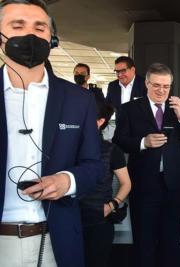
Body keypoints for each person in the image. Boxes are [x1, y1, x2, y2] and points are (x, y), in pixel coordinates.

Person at [0, 1, 103, 266]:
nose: (30, 35)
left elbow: (94, 166)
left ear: (52, 38)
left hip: (55, 242)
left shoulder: (80, 100)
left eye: (40, 27)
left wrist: (67, 181)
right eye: (17, 25)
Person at [113, 63, 180, 267]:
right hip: (143, 184)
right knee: (144, 241)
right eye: (157, 85)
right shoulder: (130, 109)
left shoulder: (177, 107)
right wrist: (143, 142)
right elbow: (119, 141)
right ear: (147, 84)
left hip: (175, 184)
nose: (162, 90)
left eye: (166, 86)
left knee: (172, 241)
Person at [80, 91, 131, 267]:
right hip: (70, 219)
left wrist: (111, 205)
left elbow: (126, 183)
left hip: (99, 220)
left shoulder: (110, 150)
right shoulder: (68, 147)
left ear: (100, 121)